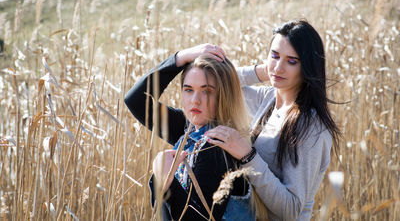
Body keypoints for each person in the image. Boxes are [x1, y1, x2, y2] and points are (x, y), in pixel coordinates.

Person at [182, 19, 342, 220]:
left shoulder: (310, 126)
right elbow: (225, 80)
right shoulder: (268, 99)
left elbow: (292, 209)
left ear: (308, 67)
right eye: (274, 56)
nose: (279, 67)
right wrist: (262, 71)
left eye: (291, 61)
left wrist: (247, 155)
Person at [124, 51, 253, 220]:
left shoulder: (216, 146)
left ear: (224, 95)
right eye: (188, 90)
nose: (195, 100)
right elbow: (136, 100)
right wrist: (180, 58)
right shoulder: (189, 128)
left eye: (206, 91)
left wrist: (164, 182)